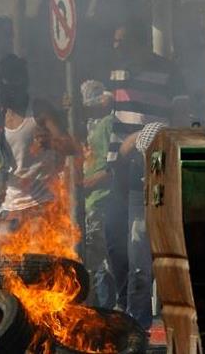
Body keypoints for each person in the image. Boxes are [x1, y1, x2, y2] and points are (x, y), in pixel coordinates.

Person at [105, 16, 185, 313]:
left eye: (122, 42)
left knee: (139, 247)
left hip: (151, 169)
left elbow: (179, 123)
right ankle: (124, 306)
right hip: (120, 170)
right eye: (115, 42)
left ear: (141, 43)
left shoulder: (170, 73)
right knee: (114, 240)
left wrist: (141, 138)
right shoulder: (116, 72)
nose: (117, 48)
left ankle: (137, 319)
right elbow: (105, 104)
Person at [0, 54, 75, 251]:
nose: (10, 90)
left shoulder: (38, 110)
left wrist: (51, 142)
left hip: (42, 204)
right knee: (6, 265)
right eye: (5, 84)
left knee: (38, 264)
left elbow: (70, 146)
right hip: (10, 205)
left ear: (23, 82)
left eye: (14, 82)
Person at [80, 80, 116, 309]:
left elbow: (111, 166)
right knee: (99, 261)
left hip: (100, 201)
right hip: (92, 201)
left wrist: (88, 183)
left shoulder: (107, 124)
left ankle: (103, 310)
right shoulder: (94, 125)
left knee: (97, 261)